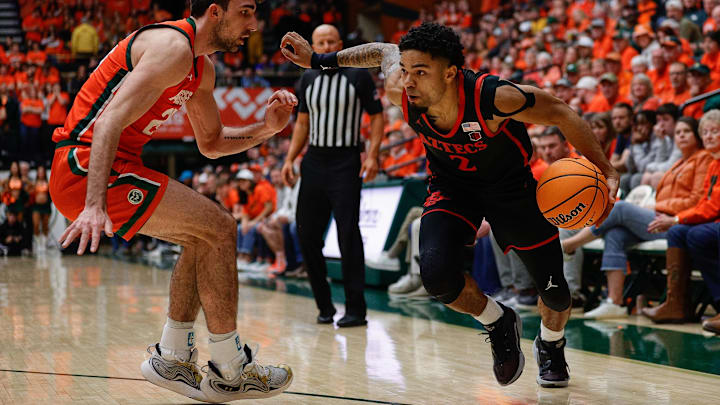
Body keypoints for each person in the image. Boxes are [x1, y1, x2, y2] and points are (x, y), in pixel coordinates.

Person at [281, 21, 619, 388]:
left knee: (555, 293)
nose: (408, 81)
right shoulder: (402, 89)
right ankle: (498, 321)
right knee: (436, 275)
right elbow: (382, 52)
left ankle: (551, 344)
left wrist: (605, 169)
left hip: (511, 189)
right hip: (452, 187)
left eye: (421, 72)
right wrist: (318, 59)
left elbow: (560, 112)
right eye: (407, 71)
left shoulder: (491, 97)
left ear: (450, 73)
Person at [50, 1, 295, 402]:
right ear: (215, 11)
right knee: (219, 227)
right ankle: (230, 369)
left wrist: (266, 129)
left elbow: (212, 143)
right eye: (246, 11)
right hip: (85, 163)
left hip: (112, 165)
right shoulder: (172, 46)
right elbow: (108, 120)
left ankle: (173, 357)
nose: (255, 23)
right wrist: (94, 204)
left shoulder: (202, 68)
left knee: (204, 235)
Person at [281, 24, 384, 328]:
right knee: (306, 233)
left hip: (345, 161)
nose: (325, 45)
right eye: (320, 42)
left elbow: (376, 116)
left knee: (347, 234)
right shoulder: (308, 77)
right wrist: (290, 158)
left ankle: (356, 310)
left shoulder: (358, 76)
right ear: (312, 45)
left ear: (340, 43)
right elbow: (302, 123)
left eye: (330, 41)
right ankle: (324, 307)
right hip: (314, 160)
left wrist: (374, 154)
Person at [562, 117, 711, 319]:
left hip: (678, 223)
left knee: (620, 208)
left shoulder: (704, 159)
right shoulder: (678, 163)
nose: (681, 135)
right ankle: (615, 302)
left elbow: (696, 200)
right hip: (660, 217)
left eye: (687, 131)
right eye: (678, 132)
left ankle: (571, 244)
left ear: (697, 136)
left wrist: (658, 206)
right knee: (616, 234)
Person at [31, 165, 53, 251]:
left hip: (46, 206)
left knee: (45, 225)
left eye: (42, 172)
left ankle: (44, 244)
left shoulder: (47, 183)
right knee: (36, 224)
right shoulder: (34, 183)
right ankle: (38, 243)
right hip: (36, 206)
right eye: (39, 172)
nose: (40, 173)